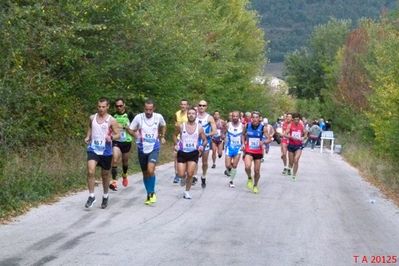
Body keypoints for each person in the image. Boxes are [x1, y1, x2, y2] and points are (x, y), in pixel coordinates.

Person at [127, 99, 166, 205]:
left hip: (154, 147)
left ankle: (152, 193)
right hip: (142, 148)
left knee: (150, 169)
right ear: (144, 109)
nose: (148, 112)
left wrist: (162, 136)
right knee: (145, 173)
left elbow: (163, 125)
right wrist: (135, 135)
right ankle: (149, 193)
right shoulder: (138, 118)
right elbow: (130, 129)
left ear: (154, 109)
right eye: (146, 109)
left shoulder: (158, 117)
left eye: (150, 109)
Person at [84, 97, 120, 209]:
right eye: (99, 106)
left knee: (105, 176)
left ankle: (105, 196)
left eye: (103, 107)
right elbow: (90, 127)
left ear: (108, 107)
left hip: (106, 151)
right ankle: (91, 196)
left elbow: (118, 134)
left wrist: (111, 137)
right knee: (90, 171)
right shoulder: (92, 117)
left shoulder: (111, 120)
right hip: (93, 148)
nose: (101, 109)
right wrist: (88, 136)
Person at [173, 108, 207, 199]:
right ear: (187, 115)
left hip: (193, 153)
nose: (191, 115)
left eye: (193, 113)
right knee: (181, 174)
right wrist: (176, 144)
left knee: (190, 173)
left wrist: (201, 147)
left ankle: (187, 191)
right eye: (189, 113)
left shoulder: (199, 127)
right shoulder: (181, 126)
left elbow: (205, 140)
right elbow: (174, 135)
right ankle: (183, 178)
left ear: (196, 115)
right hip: (182, 152)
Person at [242, 111, 271, 193]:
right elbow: (243, 134)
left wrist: (264, 142)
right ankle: (249, 178)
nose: (254, 119)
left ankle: (255, 185)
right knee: (247, 166)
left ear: (259, 119)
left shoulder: (263, 128)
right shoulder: (247, 125)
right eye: (253, 117)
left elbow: (269, 139)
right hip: (249, 150)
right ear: (251, 118)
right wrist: (243, 143)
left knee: (257, 171)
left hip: (258, 151)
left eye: (256, 117)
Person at [109, 98, 135, 191]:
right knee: (115, 159)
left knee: (125, 161)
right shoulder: (113, 115)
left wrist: (125, 127)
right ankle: (114, 181)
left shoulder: (130, 115)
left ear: (124, 105)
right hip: (116, 141)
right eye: (117, 106)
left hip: (127, 141)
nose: (119, 107)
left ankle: (124, 175)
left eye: (120, 105)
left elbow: (134, 129)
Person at [195, 100, 217, 188]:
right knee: (194, 159)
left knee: (204, 162)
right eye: (200, 105)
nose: (201, 107)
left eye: (203, 106)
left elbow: (214, 131)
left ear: (206, 107)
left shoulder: (209, 118)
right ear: (198, 106)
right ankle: (194, 176)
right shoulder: (193, 115)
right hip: (195, 141)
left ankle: (203, 176)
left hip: (205, 141)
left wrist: (206, 134)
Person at [224, 111, 244, 188]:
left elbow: (243, 136)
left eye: (236, 116)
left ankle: (231, 181)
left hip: (238, 148)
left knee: (235, 165)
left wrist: (243, 144)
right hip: (229, 147)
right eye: (233, 116)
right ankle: (230, 170)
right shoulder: (228, 125)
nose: (235, 118)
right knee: (228, 165)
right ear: (231, 117)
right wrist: (223, 137)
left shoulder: (242, 126)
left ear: (239, 117)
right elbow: (224, 133)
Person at [285, 113, 307, 180]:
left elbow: (306, 134)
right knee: (291, 162)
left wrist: (304, 137)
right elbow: (285, 134)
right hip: (291, 145)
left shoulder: (301, 126)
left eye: (298, 119)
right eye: (295, 120)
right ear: (293, 120)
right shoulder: (290, 125)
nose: (296, 121)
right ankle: (290, 167)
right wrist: (291, 137)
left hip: (298, 145)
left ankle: (294, 175)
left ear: (299, 119)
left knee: (296, 160)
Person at [173, 99, 189, 184]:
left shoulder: (190, 114)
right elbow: (176, 125)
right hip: (179, 137)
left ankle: (184, 173)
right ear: (180, 105)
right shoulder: (177, 114)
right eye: (182, 104)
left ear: (187, 106)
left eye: (185, 104)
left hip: (188, 138)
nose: (183, 106)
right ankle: (176, 174)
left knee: (185, 157)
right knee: (176, 155)